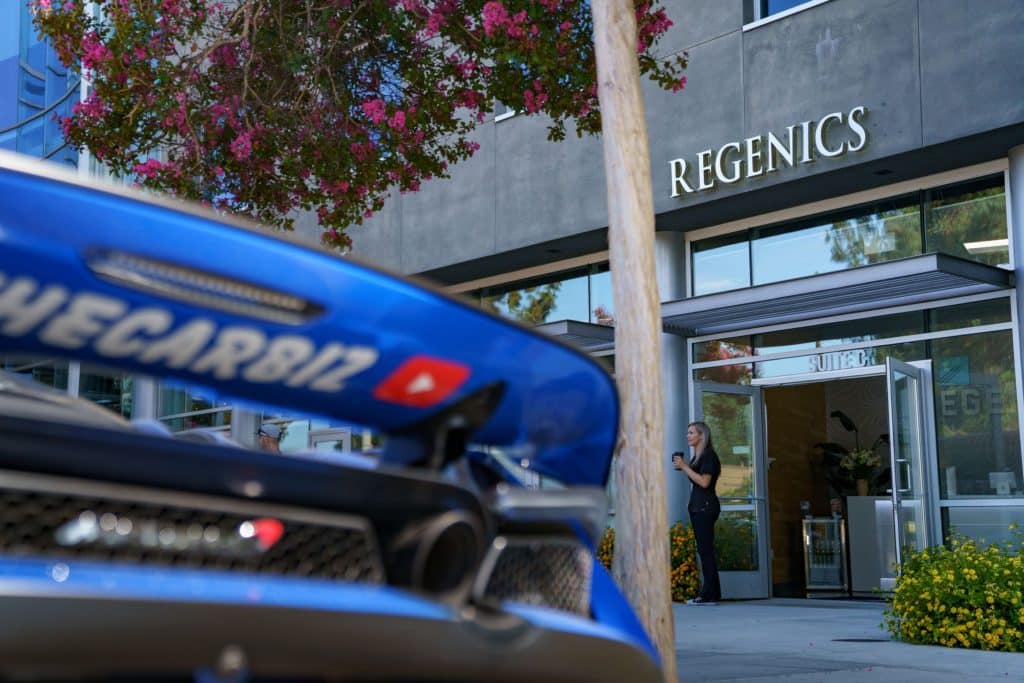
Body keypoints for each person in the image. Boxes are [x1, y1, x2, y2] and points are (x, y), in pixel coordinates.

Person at [672, 421, 722, 605]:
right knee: (704, 550)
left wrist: (685, 467)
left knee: (705, 551)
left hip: (705, 507)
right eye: (687, 432)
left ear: (702, 435)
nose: (688, 436)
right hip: (698, 507)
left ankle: (709, 595)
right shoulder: (698, 457)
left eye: (691, 432)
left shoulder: (709, 457)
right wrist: (686, 466)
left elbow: (704, 482)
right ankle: (712, 593)